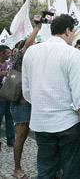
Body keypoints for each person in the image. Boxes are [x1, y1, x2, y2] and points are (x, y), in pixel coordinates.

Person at [22, 14, 80, 179]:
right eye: (73, 32)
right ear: (68, 31)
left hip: (41, 123)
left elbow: (26, 91)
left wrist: (42, 106)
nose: (73, 36)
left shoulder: (31, 52)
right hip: (68, 123)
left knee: (45, 169)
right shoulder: (72, 53)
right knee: (70, 170)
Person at [10, 16, 42, 179]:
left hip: (35, 104)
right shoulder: (18, 59)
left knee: (43, 136)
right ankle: (17, 168)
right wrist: (37, 27)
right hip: (21, 104)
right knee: (21, 137)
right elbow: (27, 46)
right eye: (32, 46)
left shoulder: (36, 62)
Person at [0, 45, 14, 150]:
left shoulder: (9, 64)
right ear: (1, 53)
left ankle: (11, 140)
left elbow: (13, 75)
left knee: (10, 117)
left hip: (8, 94)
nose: (9, 55)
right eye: (7, 53)